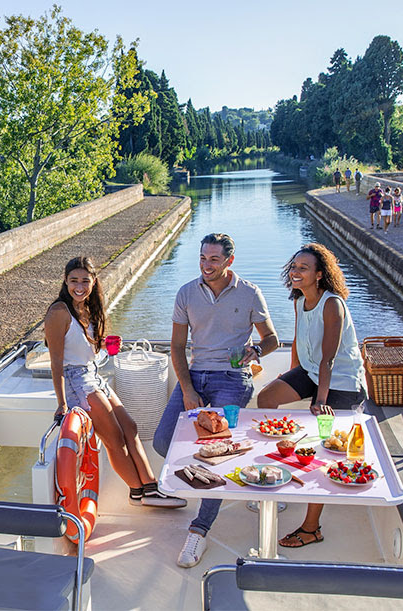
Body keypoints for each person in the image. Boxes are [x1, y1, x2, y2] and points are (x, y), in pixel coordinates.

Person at [152, 233, 280, 568]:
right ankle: (215, 481)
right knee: (163, 442)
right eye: (202, 258)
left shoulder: (250, 292)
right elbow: (177, 347)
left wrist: (256, 350)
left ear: (228, 262)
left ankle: (199, 530)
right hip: (195, 377)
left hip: (233, 379)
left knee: (216, 455)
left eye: (213, 260)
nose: (206, 265)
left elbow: (272, 340)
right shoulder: (186, 293)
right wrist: (187, 388)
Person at [45, 256, 186, 510]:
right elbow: (56, 362)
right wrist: (62, 403)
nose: (79, 286)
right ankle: (138, 490)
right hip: (77, 381)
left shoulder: (89, 309)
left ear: (93, 281)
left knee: (130, 429)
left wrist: (104, 348)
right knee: (114, 438)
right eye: (73, 280)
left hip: (93, 373)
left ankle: (150, 488)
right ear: (65, 282)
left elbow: (86, 351)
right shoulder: (58, 313)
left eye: (85, 281)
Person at [255, 243, 368, 549]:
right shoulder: (299, 301)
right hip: (311, 372)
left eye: (303, 268)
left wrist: (320, 401)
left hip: (341, 382)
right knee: (266, 398)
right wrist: (289, 377)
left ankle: (310, 528)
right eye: (293, 267)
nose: (295, 272)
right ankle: (278, 466)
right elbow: (298, 343)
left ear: (319, 274)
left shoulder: (333, 305)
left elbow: (329, 360)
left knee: (322, 448)